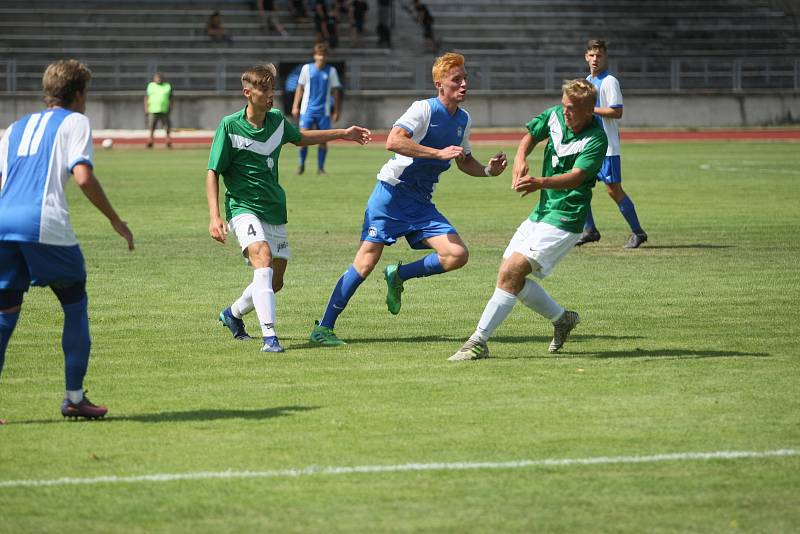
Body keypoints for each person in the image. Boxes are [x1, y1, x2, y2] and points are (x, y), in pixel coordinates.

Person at [309, 52, 507, 347]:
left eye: (466, 78)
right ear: (440, 84)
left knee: (457, 255)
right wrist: (436, 153)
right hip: (391, 195)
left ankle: (399, 275)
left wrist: (489, 171)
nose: (464, 84)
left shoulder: (463, 119)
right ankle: (323, 329)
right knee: (364, 265)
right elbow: (394, 140)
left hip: (421, 203)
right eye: (457, 80)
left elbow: (464, 160)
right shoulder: (423, 109)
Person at [0, 59, 135, 423]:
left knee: (5, 312)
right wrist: (115, 221)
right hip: (44, 223)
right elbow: (83, 176)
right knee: (74, 301)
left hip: (2, 225)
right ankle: (74, 397)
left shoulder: (14, 128)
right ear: (78, 94)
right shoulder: (75, 121)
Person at [206, 63, 370, 353]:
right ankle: (270, 337)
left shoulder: (277, 121)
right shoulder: (229, 126)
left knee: (274, 280)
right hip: (242, 207)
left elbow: (301, 137)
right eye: (264, 89)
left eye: (272, 89)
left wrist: (343, 132)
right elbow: (212, 171)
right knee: (263, 258)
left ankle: (232, 313)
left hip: (274, 209)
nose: (271, 95)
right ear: (248, 92)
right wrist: (215, 216)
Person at [450, 79, 608, 361]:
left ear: (588, 110)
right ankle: (562, 319)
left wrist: (540, 182)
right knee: (509, 275)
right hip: (542, 211)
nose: (565, 112)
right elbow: (530, 136)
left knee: (511, 272)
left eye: (572, 109)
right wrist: (522, 156)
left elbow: (576, 177)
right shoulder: (556, 115)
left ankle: (478, 341)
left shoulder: (597, 138)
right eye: (564, 106)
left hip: (566, 217)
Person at [576, 39, 647, 249]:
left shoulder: (609, 82)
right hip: (590, 146)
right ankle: (590, 230)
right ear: (586, 57)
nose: (595, 59)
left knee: (613, 190)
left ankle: (638, 232)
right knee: (578, 184)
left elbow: (617, 111)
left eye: (599, 55)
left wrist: (588, 110)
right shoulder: (588, 81)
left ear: (605, 57)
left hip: (607, 147)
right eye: (592, 55)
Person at [291, 43, 342, 175]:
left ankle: (320, 168)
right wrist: (295, 106)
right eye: (319, 55)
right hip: (307, 110)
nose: (321, 58)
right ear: (315, 56)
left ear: (326, 57)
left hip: (323, 112)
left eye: (323, 55)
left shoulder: (331, 71)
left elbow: (335, 91)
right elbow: (300, 88)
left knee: (323, 140)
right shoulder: (306, 69)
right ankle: (301, 165)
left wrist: (336, 110)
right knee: (302, 138)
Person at [144, 72, 173, 148]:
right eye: (156, 78)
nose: (158, 79)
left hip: (164, 109)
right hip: (153, 110)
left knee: (166, 126)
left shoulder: (167, 86)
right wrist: (146, 108)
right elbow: (146, 97)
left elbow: (171, 98)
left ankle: (168, 140)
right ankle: (150, 140)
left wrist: (170, 107)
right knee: (151, 126)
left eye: (159, 78)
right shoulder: (151, 86)